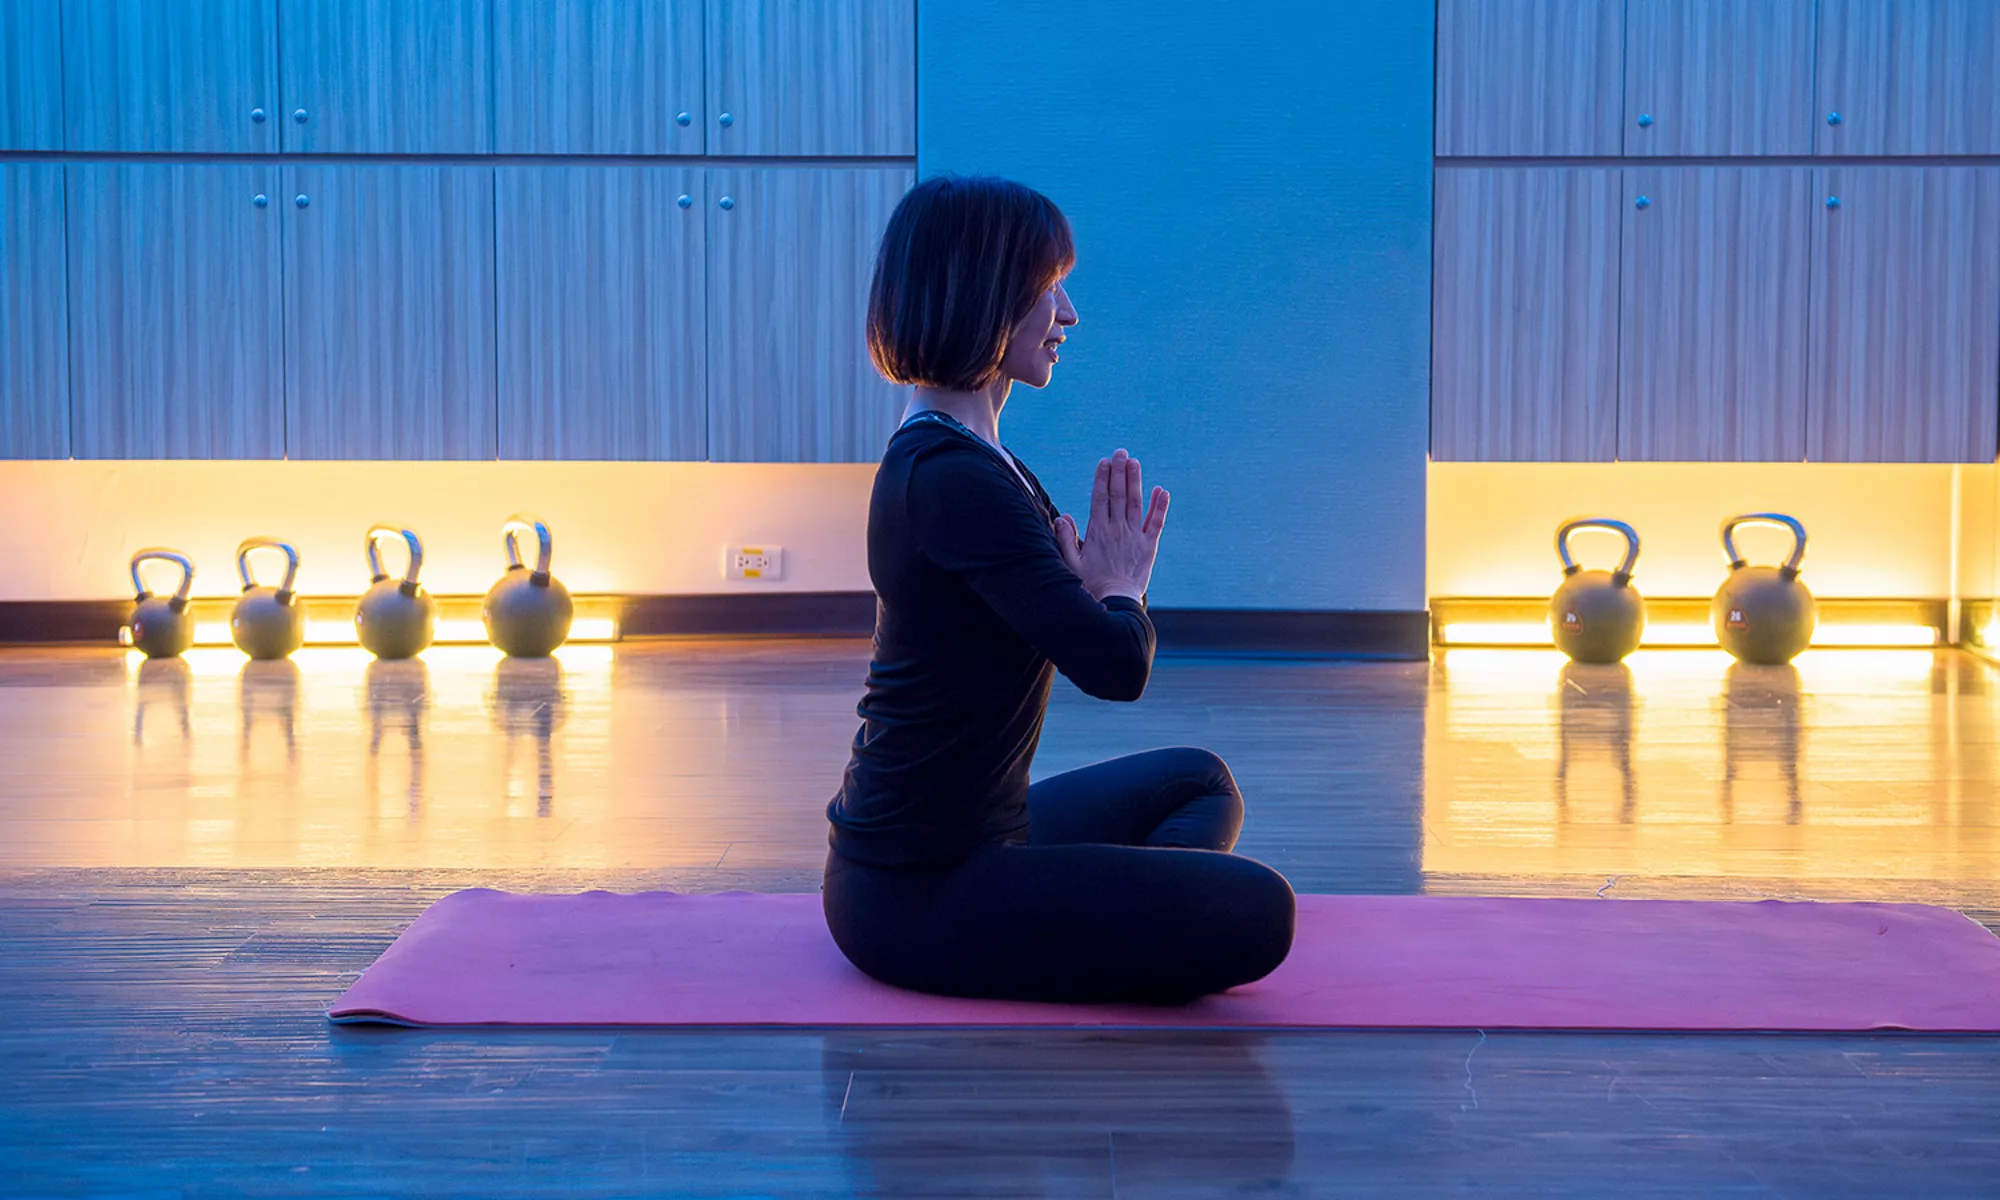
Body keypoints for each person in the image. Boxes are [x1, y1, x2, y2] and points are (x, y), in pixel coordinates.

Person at [821, 176, 1296, 1005]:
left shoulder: (972, 455)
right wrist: (1121, 591)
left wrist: (1090, 593)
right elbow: (1117, 668)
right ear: (985, 298)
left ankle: (1097, 916)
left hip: (986, 833)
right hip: (915, 889)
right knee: (1262, 916)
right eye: (1047, 290)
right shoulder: (950, 478)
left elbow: (1043, 618)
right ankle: (1104, 921)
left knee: (1198, 782)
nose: (1068, 314)